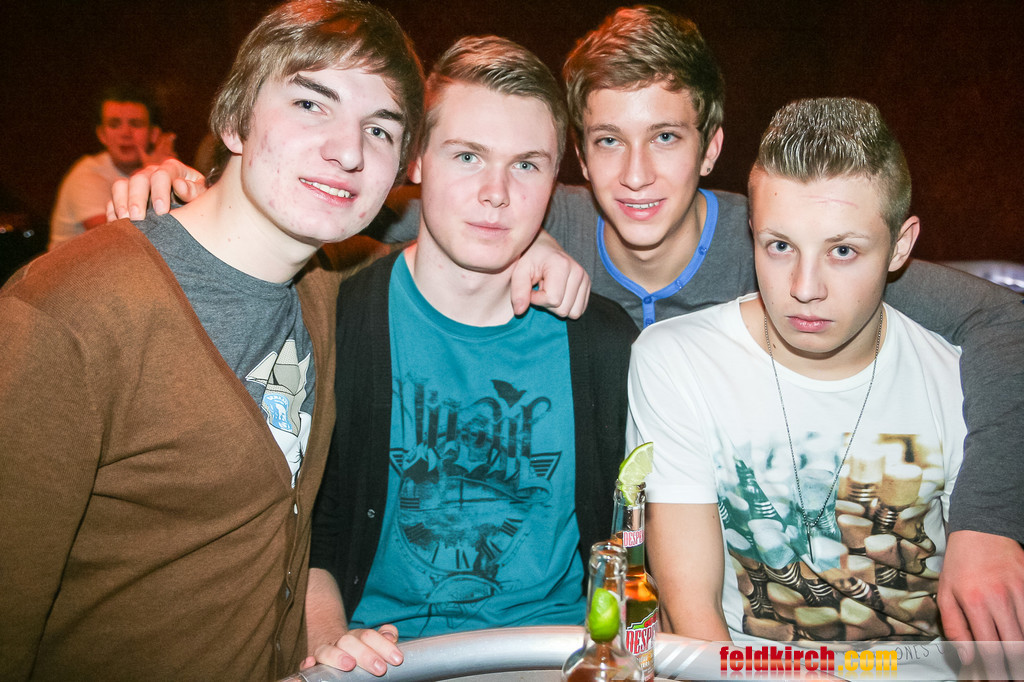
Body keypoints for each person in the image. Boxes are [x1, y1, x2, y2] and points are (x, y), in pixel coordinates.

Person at [109, 2, 1024, 651]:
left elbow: (999, 318)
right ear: (579, 161)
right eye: (608, 141)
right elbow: (334, 208)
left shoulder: (784, 239)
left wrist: (986, 523)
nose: (636, 176)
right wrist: (197, 202)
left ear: (710, 148)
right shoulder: (401, 269)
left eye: (667, 137)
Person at [0, 2, 425, 679]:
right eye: (311, 104)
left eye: (379, 129)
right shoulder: (68, 311)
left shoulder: (331, 279)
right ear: (233, 120)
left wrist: (531, 249)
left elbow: (457, 239)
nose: (349, 151)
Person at [302, 36, 638, 676]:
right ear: (416, 159)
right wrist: (329, 642)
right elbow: (314, 528)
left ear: (556, 179)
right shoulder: (341, 318)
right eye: (467, 156)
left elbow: (635, 535)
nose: (496, 192)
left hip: (553, 659)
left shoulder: (601, 341)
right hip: (382, 660)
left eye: (526, 165)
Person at [629, 97, 963, 660]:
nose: (805, 288)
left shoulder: (959, 380)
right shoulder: (677, 360)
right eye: (780, 246)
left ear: (901, 246)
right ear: (753, 233)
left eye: (843, 250)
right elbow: (690, 610)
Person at [49, 83, 177, 250]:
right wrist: (152, 172)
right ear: (102, 134)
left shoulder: (163, 168)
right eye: (114, 124)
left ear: (153, 134)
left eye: (135, 124)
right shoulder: (86, 176)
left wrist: (163, 173)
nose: (125, 133)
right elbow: (115, 242)